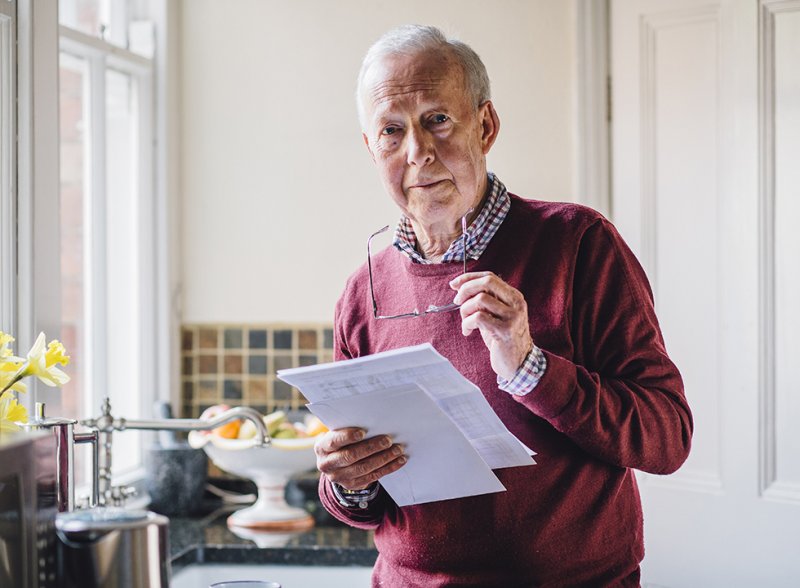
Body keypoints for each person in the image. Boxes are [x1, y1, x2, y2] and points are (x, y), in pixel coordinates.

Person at [314, 24, 692, 587]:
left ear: (485, 125)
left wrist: (528, 366)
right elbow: (361, 505)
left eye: (437, 120)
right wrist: (348, 482)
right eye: (392, 131)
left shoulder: (579, 244)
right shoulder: (361, 291)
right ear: (373, 149)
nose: (418, 152)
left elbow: (667, 438)